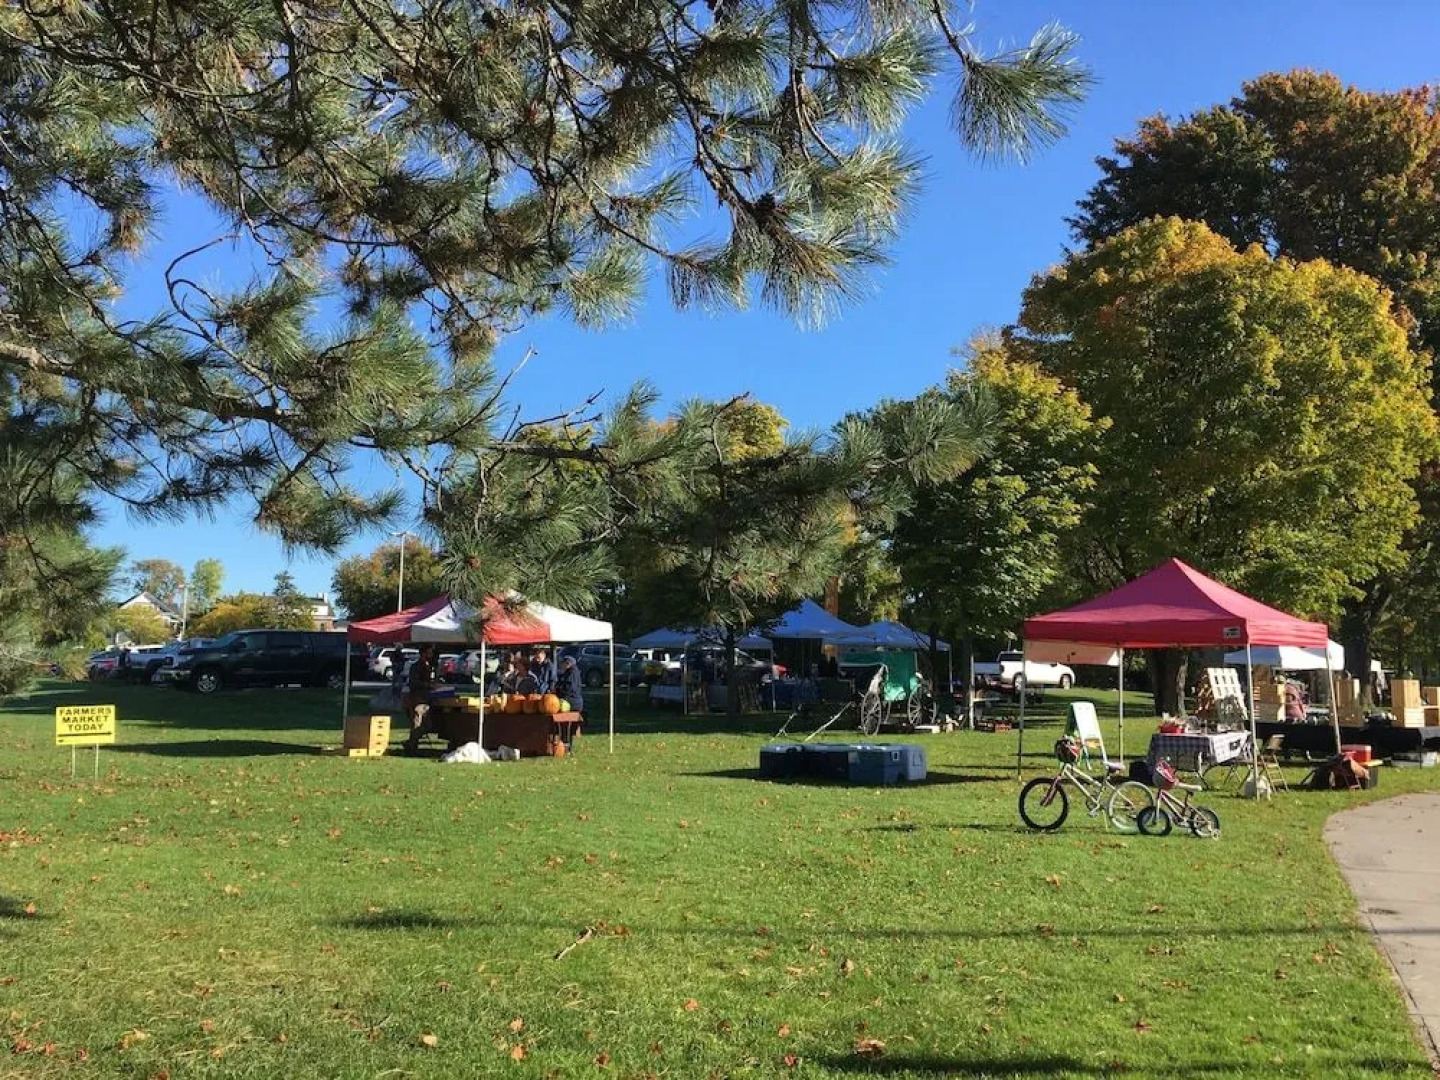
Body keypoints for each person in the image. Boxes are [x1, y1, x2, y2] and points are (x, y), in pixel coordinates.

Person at [403, 644, 438, 754]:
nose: (431, 655)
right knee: (417, 723)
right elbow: (413, 682)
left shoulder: (429, 666)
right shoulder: (416, 666)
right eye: (429, 652)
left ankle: (411, 743)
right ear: (423, 653)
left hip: (425, 699)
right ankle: (411, 746)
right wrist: (428, 685)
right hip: (417, 699)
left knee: (427, 725)